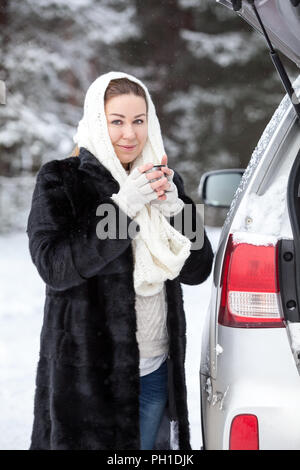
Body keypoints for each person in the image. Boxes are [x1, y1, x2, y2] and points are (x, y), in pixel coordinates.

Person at [26, 71, 214, 450]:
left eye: (139, 121)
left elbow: (198, 269)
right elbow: (55, 267)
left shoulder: (163, 179)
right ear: (98, 120)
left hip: (157, 368)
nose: (130, 134)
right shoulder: (61, 179)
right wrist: (123, 209)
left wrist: (177, 209)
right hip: (89, 379)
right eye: (117, 121)